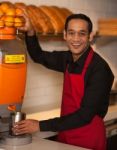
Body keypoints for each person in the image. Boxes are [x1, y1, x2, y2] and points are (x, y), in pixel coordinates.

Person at [13, 13, 114, 150]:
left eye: (82, 33)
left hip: (89, 137)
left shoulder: (99, 69)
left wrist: (39, 125)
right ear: (65, 35)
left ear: (90, 36)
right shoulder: (67, 58)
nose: (76, 39)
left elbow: (85, 115)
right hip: (66, 132)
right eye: (71, 33)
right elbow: (39, 56)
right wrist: (31, 32)